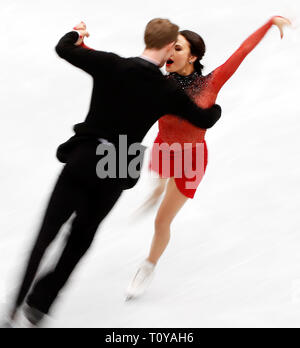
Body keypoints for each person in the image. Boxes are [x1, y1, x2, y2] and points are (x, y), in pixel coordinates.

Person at [3, 18, 222, 327]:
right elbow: (205, 118)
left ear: (147, 39)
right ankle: (40, 304)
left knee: (46, 235)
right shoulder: (166, 90)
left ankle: (13, 307)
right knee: (80, 238)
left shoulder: (111, 65)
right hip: (117, 167)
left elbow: (64, 47)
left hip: (85, 155)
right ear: (167, 47)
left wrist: (77, 33)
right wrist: (216, 110)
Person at [125, 16, 291, 300]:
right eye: (169, 47)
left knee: (161, 222)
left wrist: (267, 24)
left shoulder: (211, 83)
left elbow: (241, 51)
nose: (170, 52)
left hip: (191, 161)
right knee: (159, 176)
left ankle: (148, 266)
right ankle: (157, 187)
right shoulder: (158, 82)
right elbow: (114, 71)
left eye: (178, 48)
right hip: (164, 147)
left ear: (193, 56)